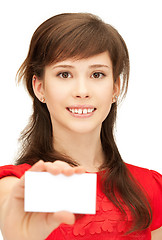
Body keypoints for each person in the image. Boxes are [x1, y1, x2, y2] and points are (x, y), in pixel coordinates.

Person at [0, 13, 161, 240]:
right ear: (39, 87)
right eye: (64, 74)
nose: (82, 90)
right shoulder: (17, 185)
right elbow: (10, 207)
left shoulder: (150, 186)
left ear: (115, 87)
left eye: (97, 74)